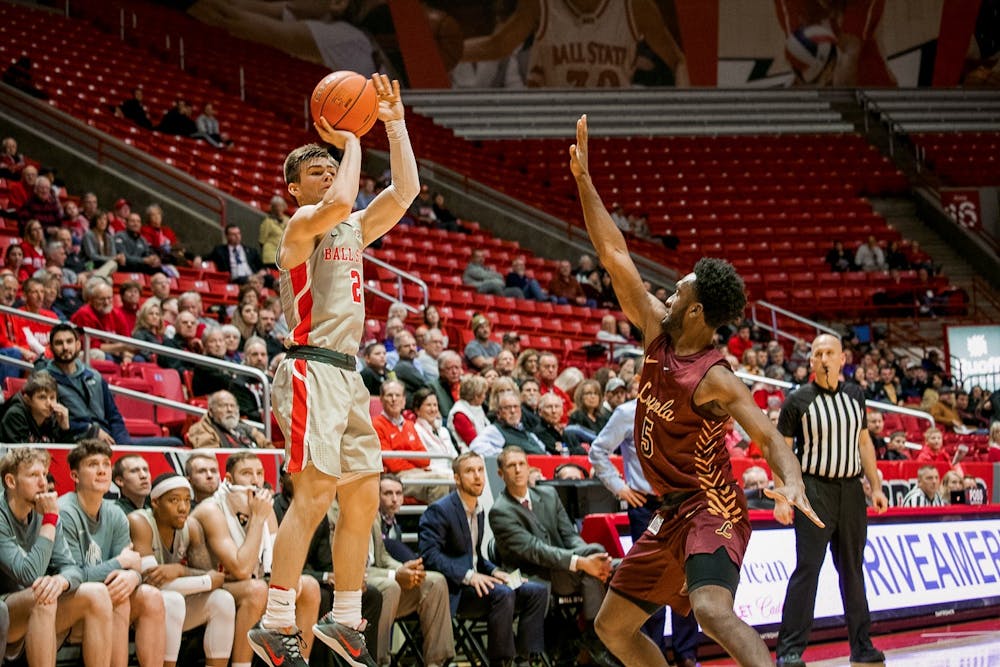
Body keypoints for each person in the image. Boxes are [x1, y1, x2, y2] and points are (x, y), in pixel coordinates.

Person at [569, 114, 819, 666]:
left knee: (710, 607)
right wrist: (585, 181)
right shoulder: (657, 329)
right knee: (613, 627)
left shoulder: (715, 377)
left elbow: (767, 434)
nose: (670, 288)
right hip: (669, 513)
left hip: (712, 506)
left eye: (680, 287)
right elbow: (614, 256)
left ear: (698, 309)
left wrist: (792, 481)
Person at [255, 74, 417, 667]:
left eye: (331, 166)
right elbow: (342, 201)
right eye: (315, 170)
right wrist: (351, 138)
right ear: (294, 187)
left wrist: (393, 123)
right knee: (315, 494)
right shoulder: (300, 229)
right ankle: (275, 622)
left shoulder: (350, 228)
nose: (327, 173)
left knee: (363, 496)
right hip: (307, 371)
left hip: (347, 375)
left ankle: (345, 617)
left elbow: (404, 191)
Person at [772, 334, 888, 667]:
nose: (824, 358)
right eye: (818, 353)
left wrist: (876, 486)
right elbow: (780, 450)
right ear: (811, 361)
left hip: (851, 491)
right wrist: (783, 497)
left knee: (853, 570)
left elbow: (864, 443)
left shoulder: (855, 395)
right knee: (807, 568)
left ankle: (862, 646)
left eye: (830, 352)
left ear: (842, 359)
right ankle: (790, 650)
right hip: (813, 490)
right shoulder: (798, 400)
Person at [588, 398, 700, 667]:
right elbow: (598, 451)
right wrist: (619, 487)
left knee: (688, 579)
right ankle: (654, 654)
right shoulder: (627, 412)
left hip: (685, 503)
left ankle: (686, 654)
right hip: (647, 506)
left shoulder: (684, 408)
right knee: (650, 582)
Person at [488, 446, 617, 665]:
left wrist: (588, 558)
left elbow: (570, 536)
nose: (518, 470)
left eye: (521, 464)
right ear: (501, 474)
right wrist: (582, 561)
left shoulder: (548, 494)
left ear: (529, 468)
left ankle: (596, 638)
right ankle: (596, 638)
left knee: (597, 557)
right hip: (532, 575)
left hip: (564, 570)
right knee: (601, 564)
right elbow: (536, 550)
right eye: (511, 466)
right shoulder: (500, 511)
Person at [419, 451, 549, 667]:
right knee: (503, 593)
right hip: (456, 589)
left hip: (478, 583)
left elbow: (476, 557)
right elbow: (429, 556)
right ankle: (502, 661)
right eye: (470, 471)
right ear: (457, 478)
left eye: (480, 470)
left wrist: (496, 572)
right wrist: (469, 576)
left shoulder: (478, 511)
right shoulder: (439, 511)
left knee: (536, 590)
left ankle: (526, 659)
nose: (478, 476)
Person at [194, 451, 320, 667]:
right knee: (256, 590)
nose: (255, 480)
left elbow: (275, 562)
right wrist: (259, 517)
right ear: (229, 480)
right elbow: (241, 569)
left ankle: (298, 662)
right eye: (246, 473)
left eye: (259, 473)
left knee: (308, 585)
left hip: (249, 580)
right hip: (213, 585)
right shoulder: (211, 510)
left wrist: (289, 578)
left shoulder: (261, 506)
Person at [0, 447, 114, 666]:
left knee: (97, 593)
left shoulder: (46, 510)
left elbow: (72, 568)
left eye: (44, 474)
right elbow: (28, 574)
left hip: (33, 602)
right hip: (5, 609)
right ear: (11, 482)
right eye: (34, 475)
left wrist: (61, 581)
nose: (43, 482)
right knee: (43, 595)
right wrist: (50, 519)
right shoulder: (8, 515)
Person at [58, 440, 167, 667]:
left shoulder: (115, 513)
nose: (101, 470)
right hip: (64, 603)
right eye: (92, 464)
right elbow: (73, 576)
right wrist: (119, 563)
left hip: (103, 596)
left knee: (151, 596)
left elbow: (131, 566)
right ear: (75, 476)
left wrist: (132, 576)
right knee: (111, 595)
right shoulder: (64, 512)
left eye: (106, 464)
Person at [329, 498, 455, 667]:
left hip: (378, 576)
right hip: (351, 583)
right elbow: (340, 563)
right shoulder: (330, 512)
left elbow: (382, 556)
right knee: (390, 587)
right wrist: (394, 574)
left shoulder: (370, 507)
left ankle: (437, 663)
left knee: (435, 582)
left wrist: (405, 569)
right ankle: (379, 662)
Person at [128, 472, 236, 667]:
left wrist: (180, 570)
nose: (183, 507)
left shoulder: (191, 526)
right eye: (174, 500)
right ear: (155, 502)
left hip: (170, 605)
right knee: (173, 600)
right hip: (137, 607)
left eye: (187, 500)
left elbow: (214, 579)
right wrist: (205, 579)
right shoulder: (139, 522)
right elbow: (152, 583)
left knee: (223, 600)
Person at [461, 0, 687, 87]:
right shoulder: (540, 5)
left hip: (611, 122)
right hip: (553, 122)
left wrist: (685, 117)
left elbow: (679, 62)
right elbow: (498, 46)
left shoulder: (635, 7)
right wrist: (442, 53)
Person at [0, 370, 73, 443]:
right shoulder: (15, 416)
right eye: (42, 397)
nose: (49, 403)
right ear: (27, 399)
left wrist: (65, 429)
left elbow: (65, 452)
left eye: (52, 397)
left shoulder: (55, 416)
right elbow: (21, 453)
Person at [470, 390, 548, 456]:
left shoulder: (529, 434)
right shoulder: (494, 430)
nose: (513, 411)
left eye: (516, 407)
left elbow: (544, 453)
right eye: (507, 408)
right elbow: (476, 447)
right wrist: (508, 456)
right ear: (498, 413)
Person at [187, 389, 272, 449]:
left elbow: (268, 447)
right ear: (211, 411)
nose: (230, 410)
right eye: (223, 406)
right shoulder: (202, 429)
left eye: (232, 406)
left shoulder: (246, 427)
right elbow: (212, 459)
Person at [259, 195, 289, 267]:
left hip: (284, 255)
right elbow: (261, 241)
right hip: (270, 256)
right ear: (272, 208)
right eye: (276, 206)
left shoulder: (288, 220)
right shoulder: (267, 222)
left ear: (284, 207)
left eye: (280, 206)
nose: (278, 208)